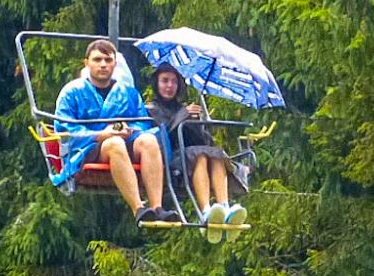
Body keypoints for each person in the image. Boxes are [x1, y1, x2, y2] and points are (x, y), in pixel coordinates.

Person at [52, 39, 178, 224]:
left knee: (149, 140)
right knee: (114, 143)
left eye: (108, 60)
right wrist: (101, 135)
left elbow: (142, 122)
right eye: (97, 60)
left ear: (114, 64)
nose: (103, 65)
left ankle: (157, 207)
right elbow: (64, 129)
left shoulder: (128, 93)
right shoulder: (71, 92)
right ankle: (139, 208)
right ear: (86, 63)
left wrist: (128, 130)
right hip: (87, 149)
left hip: (125, 142)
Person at [146, 64, 249, 238]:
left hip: (189, 155)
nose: (169, 86)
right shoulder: (152, 109)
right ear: (157, 83)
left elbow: (202, 142)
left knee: (216, 154)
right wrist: (182, 116)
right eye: (165, 81)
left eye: (174, 82)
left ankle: (224, 206)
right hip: (170, 158)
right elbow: (164, 135)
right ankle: (205, 210)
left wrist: (197, 123)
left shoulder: (183, 108)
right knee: (199, 155)